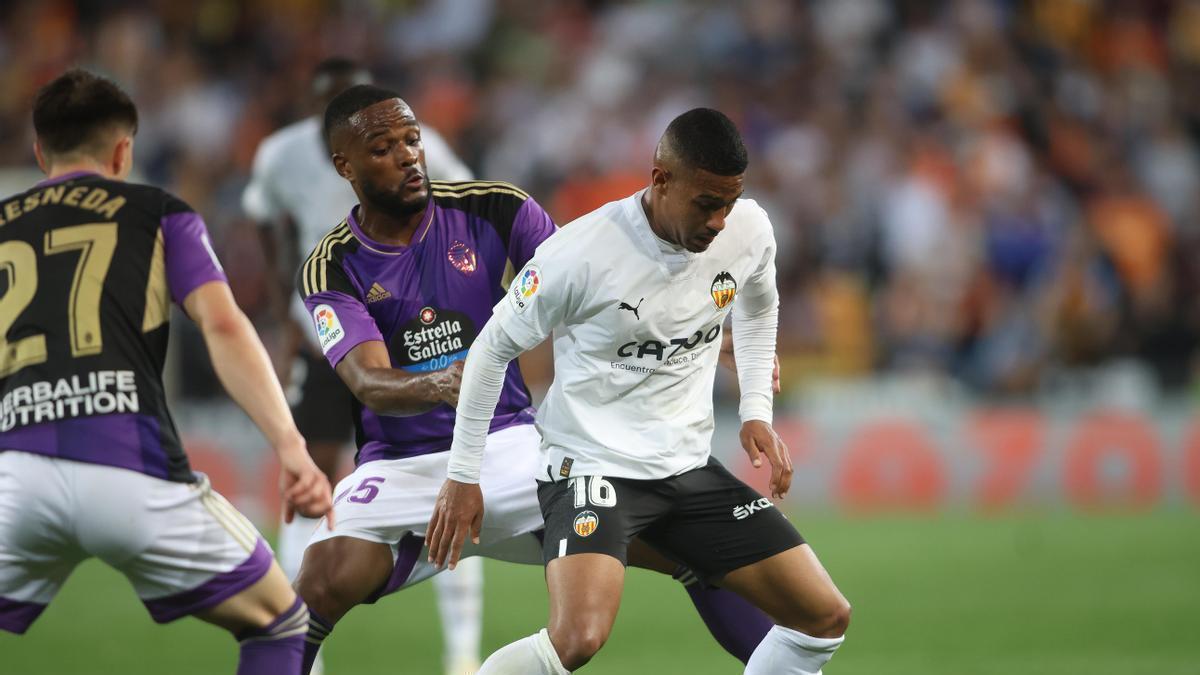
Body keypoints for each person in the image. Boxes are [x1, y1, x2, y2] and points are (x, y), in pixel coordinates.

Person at [293, 85, 776, 675]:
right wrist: (448, 382)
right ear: (345, 164)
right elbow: (369, 384)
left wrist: (699, 337)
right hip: (400, 463)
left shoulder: (495, 208)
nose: (408, 156)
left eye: (412, 139)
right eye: (383, 147)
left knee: (689, 545)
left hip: (514, 445)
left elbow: (593, 292)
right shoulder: (333, 263)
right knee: (314, 588)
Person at [428, 108, 852, 674]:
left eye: (729, 202)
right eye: (706, 203)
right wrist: (463, 475)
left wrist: (755, 409)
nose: (720, 221)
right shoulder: (580, 254)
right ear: (661, 180)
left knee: (823, 615)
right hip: (591, 467)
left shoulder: (749, 230)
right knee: (577, 638)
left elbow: (759, 304)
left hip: (685, 468)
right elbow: (489, 349)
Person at [0, 69, 333, 674]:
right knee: (279, 622)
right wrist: (290, 445)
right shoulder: (157, 211)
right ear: (123, 150)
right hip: (129, 469)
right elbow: (223, 325)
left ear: (40, 150)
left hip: (14, 474)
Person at [241, 57, 481, 675]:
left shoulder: (412, 144)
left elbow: (456, 199)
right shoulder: (280, 155)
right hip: (324, 331)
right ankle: (307, 645)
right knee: (310, 477)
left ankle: (460, 651)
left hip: (404, 329)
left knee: (450, 470)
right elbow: (267, 221)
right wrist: (282, 314)